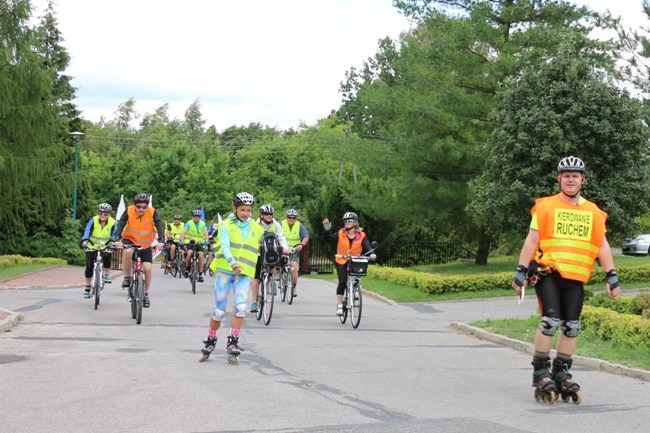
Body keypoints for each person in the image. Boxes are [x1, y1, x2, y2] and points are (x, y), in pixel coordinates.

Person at [511, 156, 620, 402]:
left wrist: (611, 275)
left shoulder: (593, 211)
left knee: (572, 326)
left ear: (583, 179)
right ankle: (540, 370)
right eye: (566, 175)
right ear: (559, 178)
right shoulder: (546, 206)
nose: (571, 179)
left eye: (575, 175)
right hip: (548, 273)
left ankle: (561, 372)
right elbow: (532, 240)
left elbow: (602, 245)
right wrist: (520, 270)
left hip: (575, 277)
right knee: (550, 320)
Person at [200, 192, 264, 363]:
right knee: (219, 311)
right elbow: (226, 247)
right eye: (242, 209)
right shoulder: (226, 225)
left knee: (241, 307)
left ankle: (233, 341)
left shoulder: (256, 227)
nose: (246, 213)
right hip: (225, 270)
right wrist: (232, 263)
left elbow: (266, 241)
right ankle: (211, 339)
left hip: (243, 273)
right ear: (235, 209)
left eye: (249, 210)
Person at [112, 193, 165, 308]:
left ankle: (145, 294)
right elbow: (121, 224)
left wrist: (161, 240)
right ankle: (126, 278)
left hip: (145, 244)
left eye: (144, 207)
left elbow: (159, 225)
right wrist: (116, 239)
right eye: (139, 206)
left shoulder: (152, 212)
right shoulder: (129, 210)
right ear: (134, 205)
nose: (141, 209)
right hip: (130, 240)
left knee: (147, 268)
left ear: (147, 206)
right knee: (128, 252)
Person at [322, 212, 376, 316]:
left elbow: (368, 247)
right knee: (342, 281)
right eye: (345, 221)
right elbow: (329, 239)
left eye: (349, 221)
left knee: (358, 274)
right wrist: (326, 229)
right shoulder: (340, 233)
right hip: (341, 261)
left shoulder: (361, 235)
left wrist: (372, 254)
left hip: (355, 261)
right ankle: (339, 305)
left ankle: (356, 287)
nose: (347, 223)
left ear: (355, 223)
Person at [249, 204, 290, 313]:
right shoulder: (255, 224)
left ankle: (272, 281)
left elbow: (281, 237)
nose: (268, 216)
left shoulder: (276, 224)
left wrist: (286, 249)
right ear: (261, 215)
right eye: (266, 214)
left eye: (270, 214)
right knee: (256, 277)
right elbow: (250, 237)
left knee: (274, 264)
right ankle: (254, 302)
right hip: (257, 253)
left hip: (270, 251)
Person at [80, 203, 116, 298]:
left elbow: (115, 234)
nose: (103, 216)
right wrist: (85, 241)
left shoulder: (113, 222)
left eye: (106, 214)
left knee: (107, 255)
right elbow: (87, 231)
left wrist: (113, 242)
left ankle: (107, 274)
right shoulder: (93, 220)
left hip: (105, 246)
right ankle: (88, 287)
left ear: (109, 214)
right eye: (101, 213)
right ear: (98, 213)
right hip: (92, 245)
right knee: (89, 266)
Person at [281, 208, 310, 297]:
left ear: (296, 218)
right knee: (275, 264)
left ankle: (293, 287)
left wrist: (301, 245)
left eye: (293, 218)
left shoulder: (299, 225)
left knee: (294, 266)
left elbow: (306, 237)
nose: (291, 219)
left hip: (293, 251)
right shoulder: (281, 224)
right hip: (282, 250)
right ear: (287, 217)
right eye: (289, 217)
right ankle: (275, 280)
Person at [179, 209, 209, 282]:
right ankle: (187, 268)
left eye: (198, 217)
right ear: (193, 217)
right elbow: (183, 233)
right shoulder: (189, 223)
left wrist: (207, 241)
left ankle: (200, 274)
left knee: (201, 255)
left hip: (199, 243)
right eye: (195, 216)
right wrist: (182, 241)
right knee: (189, 253)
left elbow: (206, 233)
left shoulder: (202, 223)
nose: (196, 218)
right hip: (190, 243)